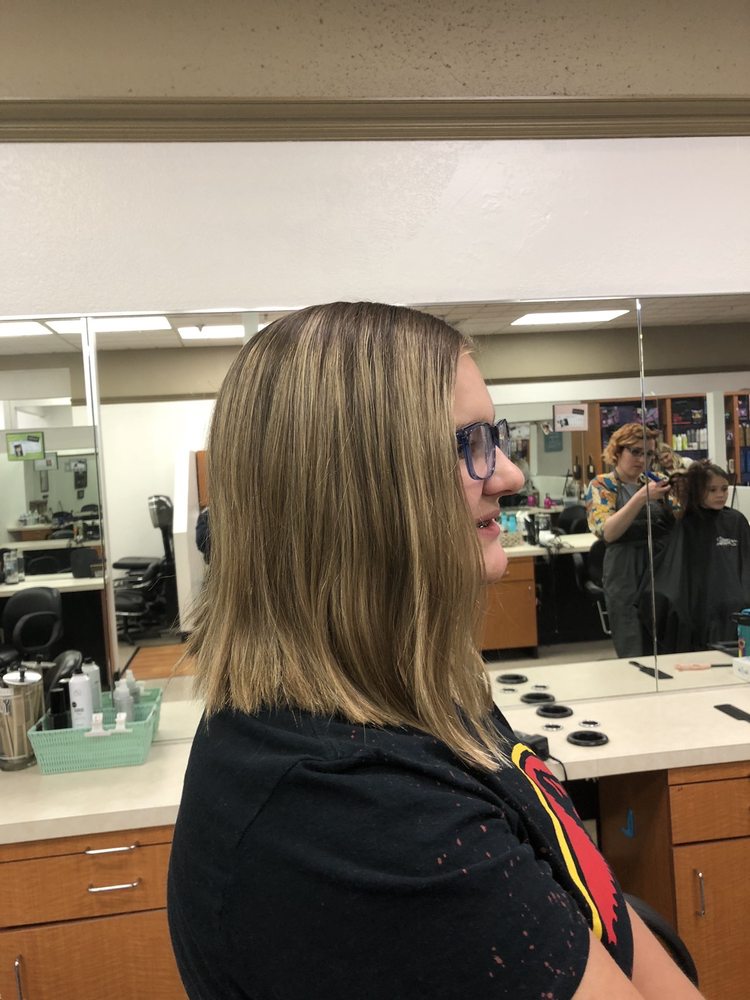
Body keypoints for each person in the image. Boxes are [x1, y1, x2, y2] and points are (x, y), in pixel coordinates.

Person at [167, 303, 702, 1000]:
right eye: (467, 444)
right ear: (351, 492)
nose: (509, 475)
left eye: (494, 438)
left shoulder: (422, 696)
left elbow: (595, 903)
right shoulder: (360, 819)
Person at [585, 423, 677, 658]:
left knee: (666, 638)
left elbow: (680, 519)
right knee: (631, 639)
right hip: (624, 570)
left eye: (648, 454)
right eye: (635, 452)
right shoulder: (602, 485)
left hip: (661, 566)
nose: (642, 460)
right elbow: (608, 532)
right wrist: (640, 498)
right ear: (618, 451)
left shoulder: (657, 481)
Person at [646, 461, 750, 652]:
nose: (720, 495)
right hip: (702, 605)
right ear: (697, 491)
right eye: (712, 490)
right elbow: (677, 572)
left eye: (724, 489)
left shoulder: (736, 521)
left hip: (736, 603)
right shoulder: (688, 525)